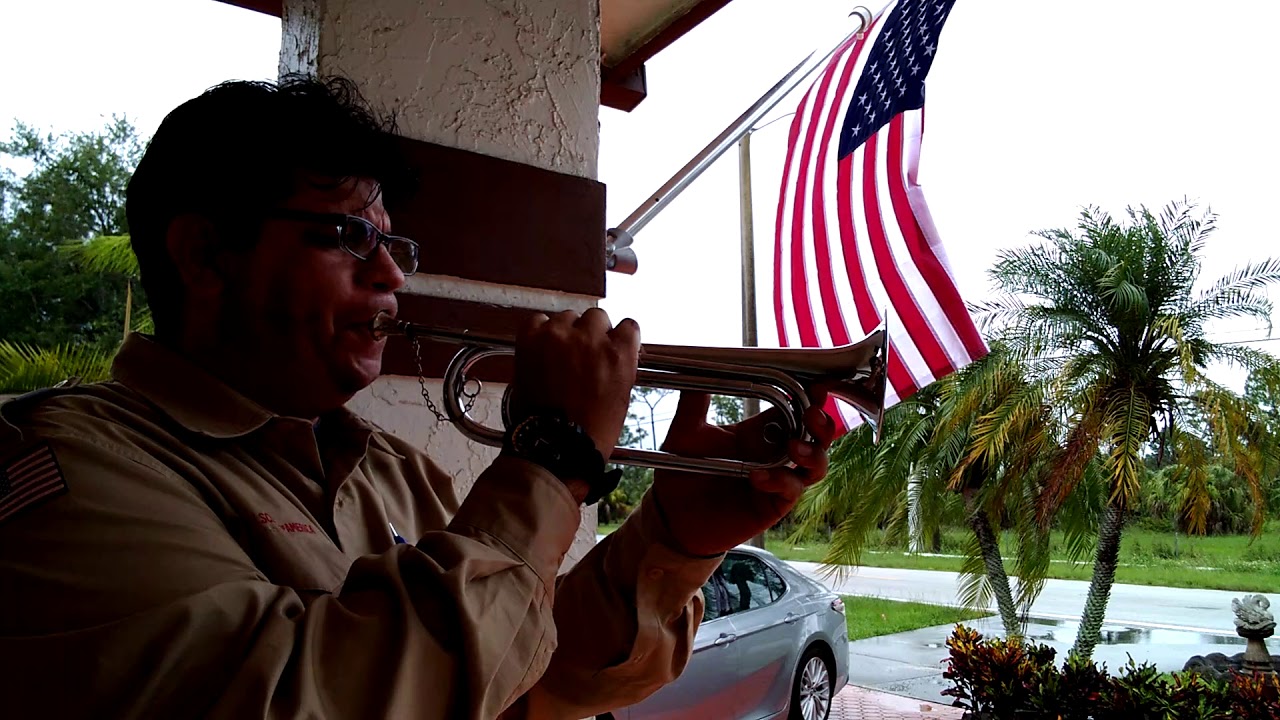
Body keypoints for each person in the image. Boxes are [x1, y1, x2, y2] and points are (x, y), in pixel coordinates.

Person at [0, 75, 835, 720]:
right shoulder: (70, 473)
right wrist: (549, 458)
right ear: (205, 255)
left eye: (391, 241)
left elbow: (536, 675)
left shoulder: (390, 471)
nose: (392, 273)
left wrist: (675, 539)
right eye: (347, 235)